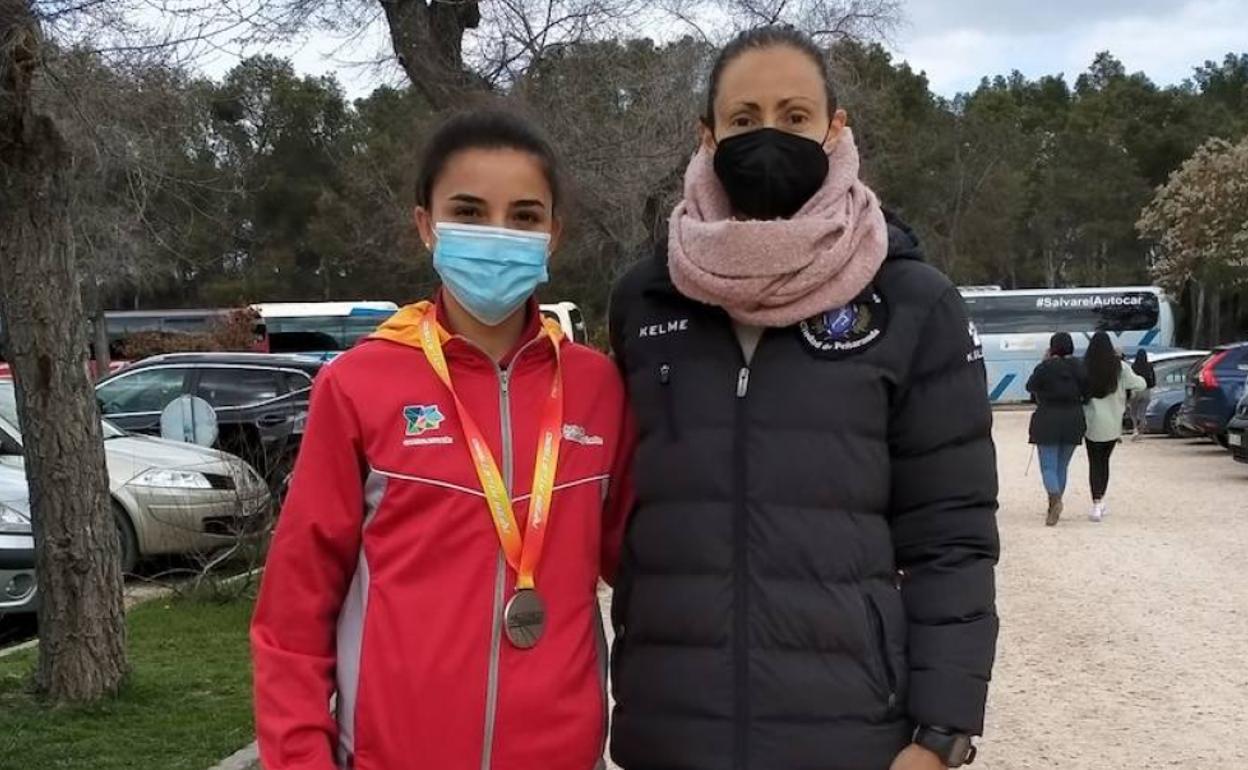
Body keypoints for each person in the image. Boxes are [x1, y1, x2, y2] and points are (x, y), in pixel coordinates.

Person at [608, 26, 999, 770]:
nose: (768, 136)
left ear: (835, 127)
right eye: (744, 118)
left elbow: (953, 534)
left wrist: (943, 733)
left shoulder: (913, 302)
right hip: (673, 728)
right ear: (707, 133)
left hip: (851, 730)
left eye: (794, 116)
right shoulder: (646, 297)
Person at [250, 108, 635, 770]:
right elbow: (294, 613)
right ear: (425, 223)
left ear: (553, 235)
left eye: (523, 216)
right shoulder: (358, 385)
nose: (498, 233)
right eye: (469, 210)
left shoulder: (599, 388)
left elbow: (646, 579)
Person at [1025, 332, 1089, 526]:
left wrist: (1045, 361)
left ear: (1052, 347)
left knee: (1048, 466)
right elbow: (1088, 392)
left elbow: (1030, 387)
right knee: (1062, 466)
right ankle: (1055, 502)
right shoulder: (1080, 367)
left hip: (1048, 418)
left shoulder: (1045, 367)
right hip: (1074, 418)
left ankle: (1054, 500)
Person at [1083, 331, 1147, 522]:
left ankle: (1096, 502)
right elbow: (1141, 384)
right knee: (1105, 462)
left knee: (1094, 463)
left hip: (1091, 424)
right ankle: (1101, 499)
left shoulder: (1085, 367)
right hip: (1112, 424)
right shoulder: (1120, 367)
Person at [1128, 348, 1157, 440]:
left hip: (1136, 391)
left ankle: (1135, 428)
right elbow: (1153, 379)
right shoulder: (1149, 366)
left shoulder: (1133, 366)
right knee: (1142, 412)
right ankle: (1141, 429)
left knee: (1133, 411)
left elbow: (1131, 379)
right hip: (1146, 390)